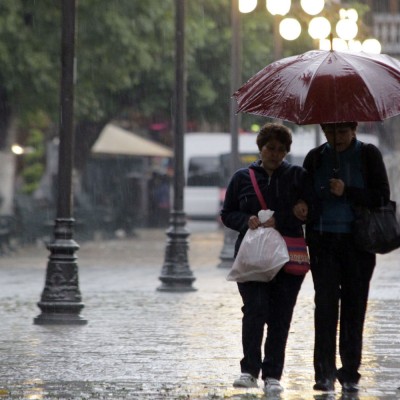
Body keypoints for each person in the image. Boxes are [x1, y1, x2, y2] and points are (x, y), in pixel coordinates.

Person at [220, 122, 314, 394]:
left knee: (280, 315)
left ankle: (273, 374)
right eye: (270, 148)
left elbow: (309, 210)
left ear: (287, 151)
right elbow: (227, 213)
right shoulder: (241, 178)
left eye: (281, 149)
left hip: (287, 257)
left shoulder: (297, 176)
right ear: (261, 148)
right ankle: (249, 370)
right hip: (251, 258)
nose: (275, 154)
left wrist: (282, 218)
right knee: (254, 310)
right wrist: (245, 220)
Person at [301, 121, 390, 394]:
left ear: (353, 130)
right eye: (330, 131)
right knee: (325, 308)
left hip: (358, 244)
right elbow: (304, 192)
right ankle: (324, 373)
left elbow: (381, 196)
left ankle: (350, 373)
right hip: (323, 242)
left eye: (342, 131)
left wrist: (347, 191)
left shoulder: (368, 154)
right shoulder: (315, 157)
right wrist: (307, 203)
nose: (336, 137)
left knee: (354, 309)